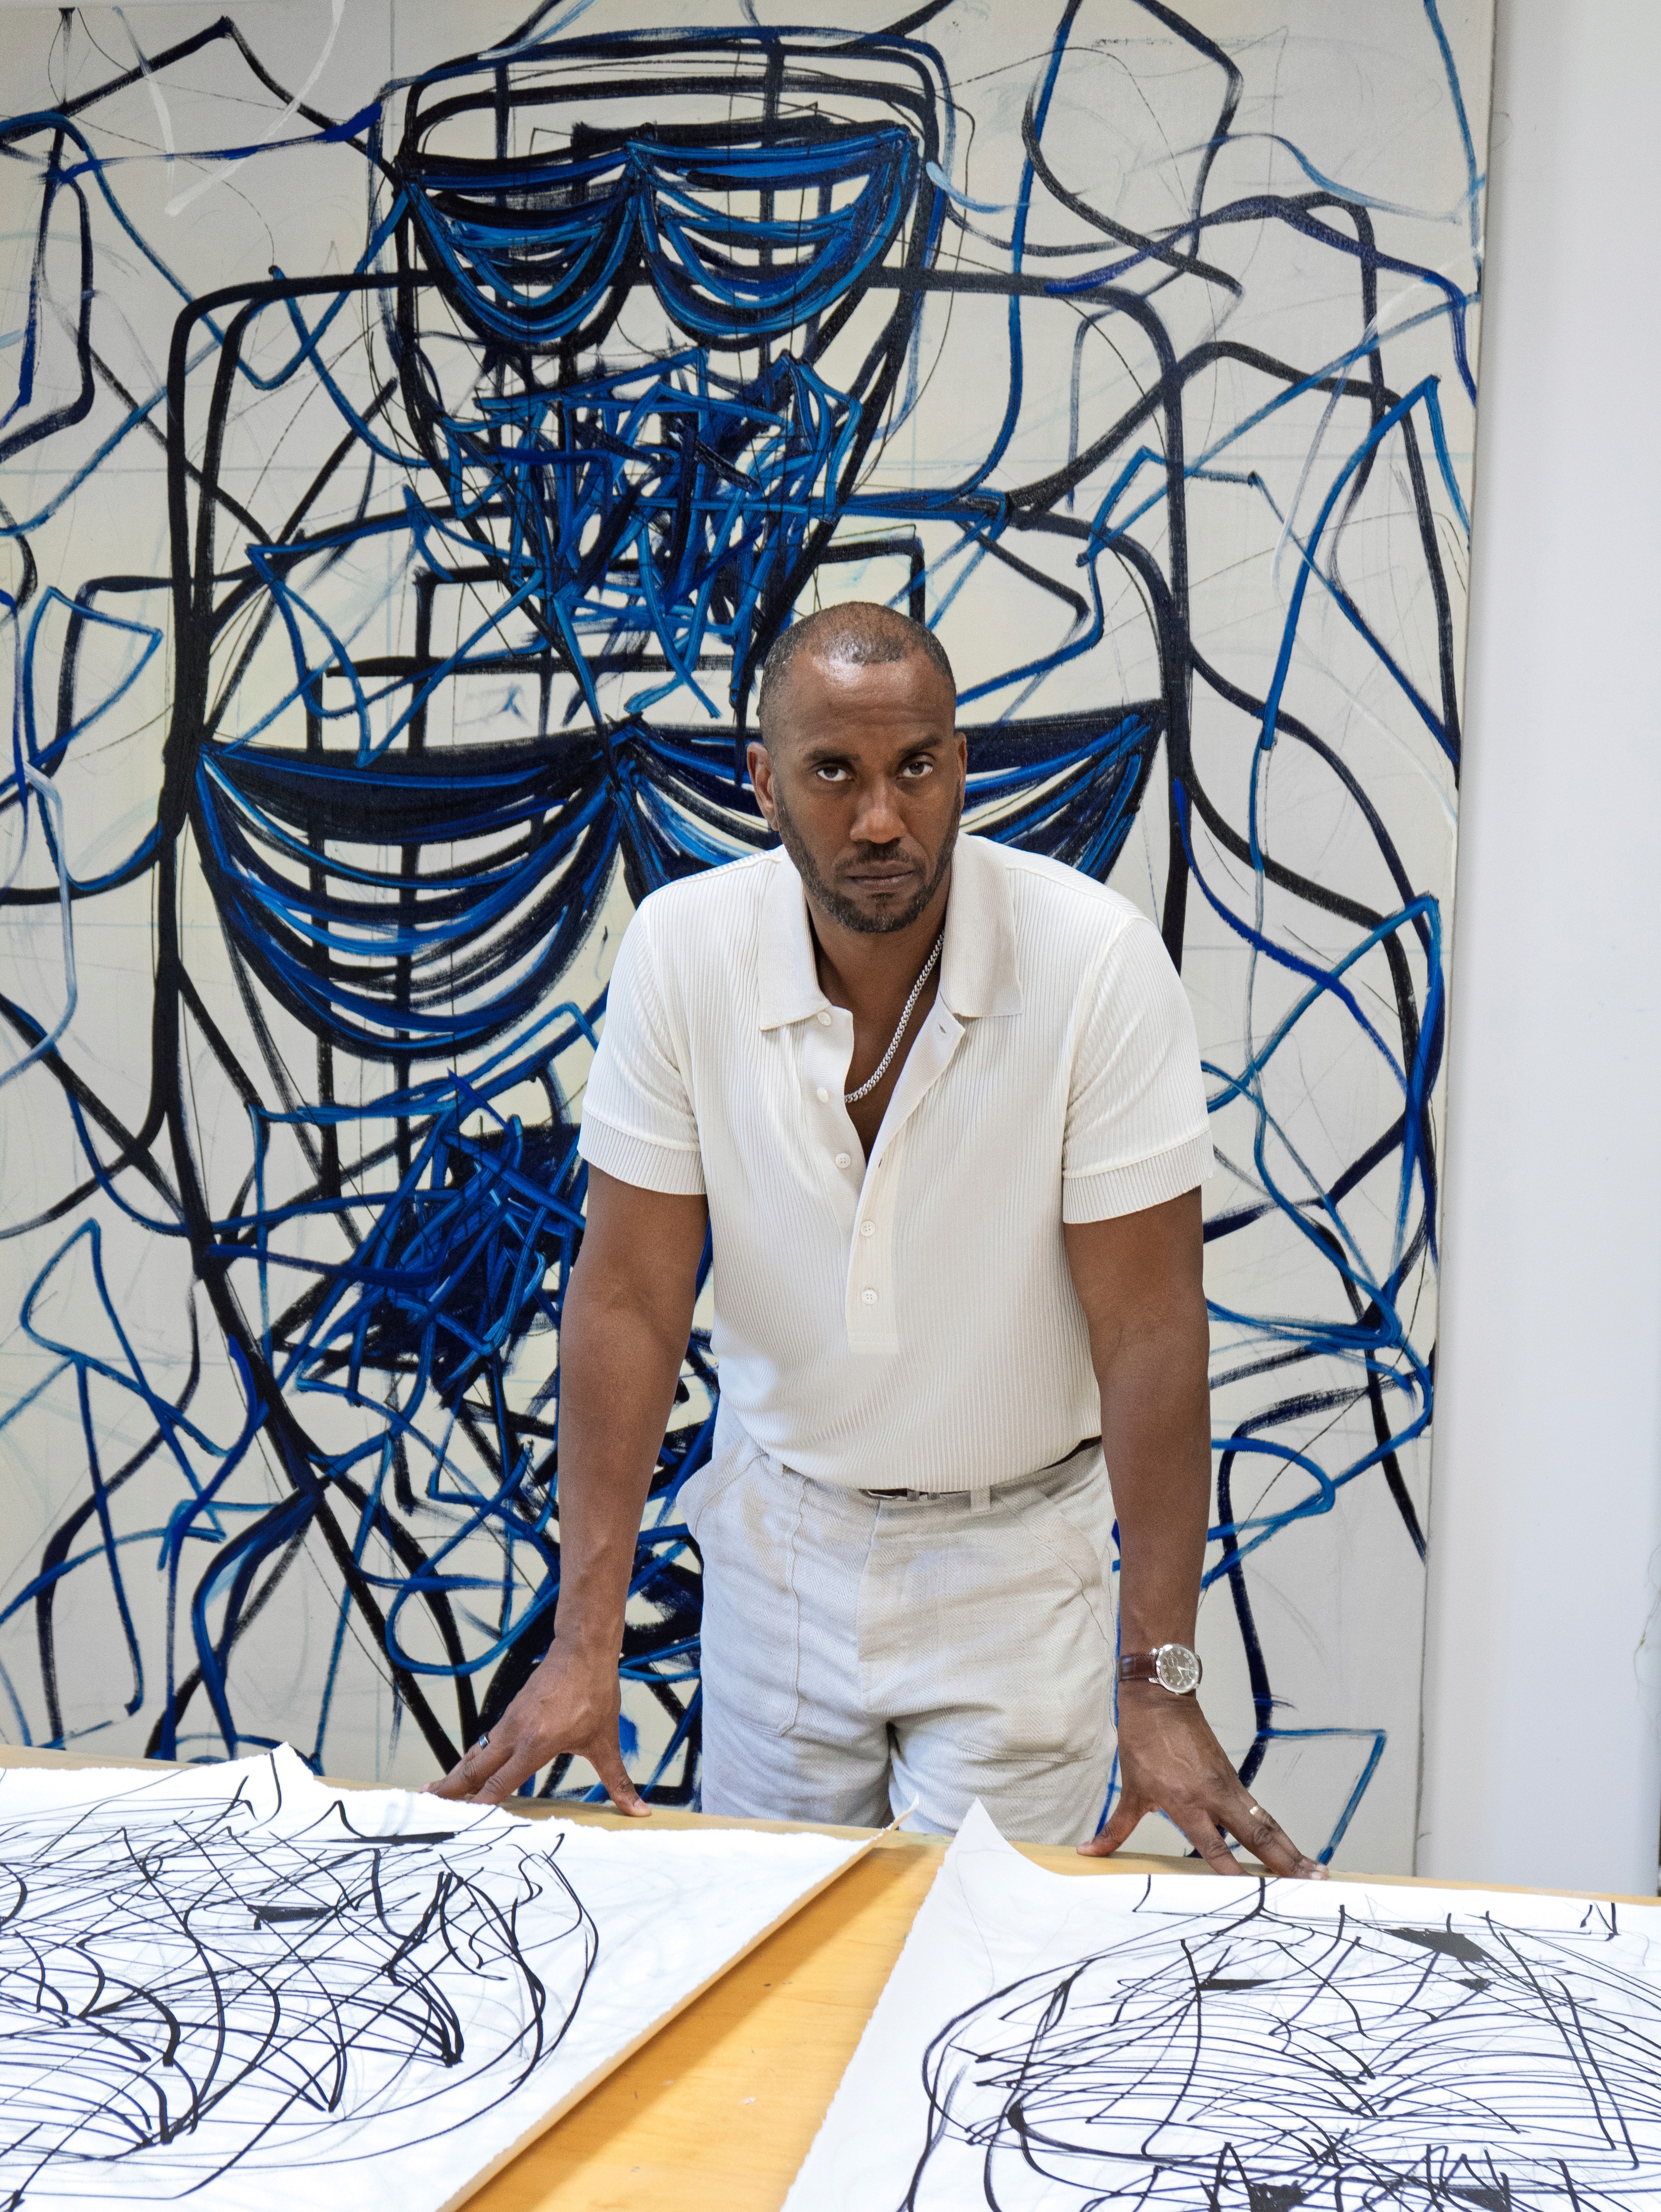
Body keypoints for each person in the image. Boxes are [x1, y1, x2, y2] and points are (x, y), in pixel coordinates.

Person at [431, 605, 1324, 1878]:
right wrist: (585, 1640)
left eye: (915, 765)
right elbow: (628, 1296)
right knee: (762, 1961)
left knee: (986, 1997)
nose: (881, 818)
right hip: (780, 1541)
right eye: (834, 772)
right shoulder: (685, 953)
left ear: (959, 763)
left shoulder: (1095, 965)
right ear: (764, 779)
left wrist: (1161, 1679)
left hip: (1016, 1560)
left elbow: (1151, 1331)